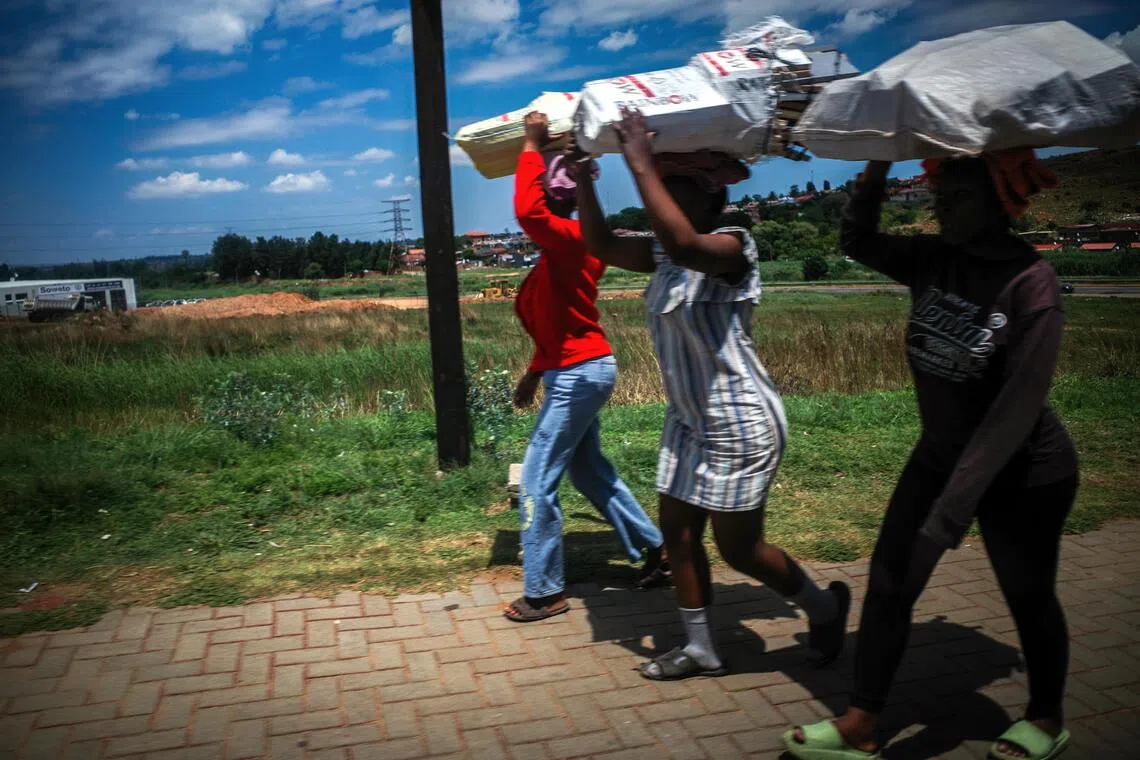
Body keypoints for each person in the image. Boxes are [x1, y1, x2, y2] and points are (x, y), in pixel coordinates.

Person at [784, 152, 1079, 760]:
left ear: (1002, 204)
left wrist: (948, 515)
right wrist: (878, 165)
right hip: (940, 455)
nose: (942, 205)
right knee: (890, 585)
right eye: (939, 193)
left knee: (1028, 594)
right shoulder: (934, 259)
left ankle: (1045, 718)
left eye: (958, 195)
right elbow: (857, 238)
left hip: (1024, 471)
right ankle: (861, 723)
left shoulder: (1032, 285)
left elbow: (1013, 414)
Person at [572, 106, 850, 678]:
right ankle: (701, 647)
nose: (659, 207)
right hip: (688, 420)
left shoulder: (733, 248)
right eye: (658, 190)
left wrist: (640, 163)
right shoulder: (659, 251)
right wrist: (582, 178)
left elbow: (684, 247)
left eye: (670, 192)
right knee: (676, 533)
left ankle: (824, 608)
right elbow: (598, 241)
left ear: (706, 198)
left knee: (740, 550)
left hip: (740, 420)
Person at [504, 111, 669, 624]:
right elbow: (553, 324)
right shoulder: (556, 253)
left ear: (564, 199)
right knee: (589, 470)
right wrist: (534, 373)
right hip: (575, 371)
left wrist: (531, 145)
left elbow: (528, 211)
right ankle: (653, 551)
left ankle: (544, 590)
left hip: (581, 374)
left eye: (552, 193)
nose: (547, 203)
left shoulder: (573, 240)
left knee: (535, 481)